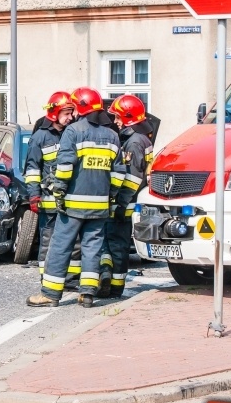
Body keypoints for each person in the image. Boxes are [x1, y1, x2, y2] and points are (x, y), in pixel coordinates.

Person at [26, 87, 121, 308]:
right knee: (92, 247)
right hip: (100, 205)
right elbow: (118, 174)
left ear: (81, 107)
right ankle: (87, 293)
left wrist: (58, 191)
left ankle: (50, 294)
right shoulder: (112, 135)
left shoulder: (73, 131)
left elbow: (66, 167)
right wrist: (111, 196)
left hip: (73, 205)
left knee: (60, 246)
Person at [100, 94, 154, 298]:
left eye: (118, 117)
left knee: (116, 243)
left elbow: (132, 178)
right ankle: (114, 283)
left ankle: (114, 287)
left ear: (129, 117)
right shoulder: (142, 138)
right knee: (116, 243)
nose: (115, 121)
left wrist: (120, 202)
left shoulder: (133, 143)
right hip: (130, 201)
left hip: (126, 203)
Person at [24, 92, 76, 276]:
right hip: (48, 201)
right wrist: (33, 195)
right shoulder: (40, 137)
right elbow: (31, 169)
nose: (70, 117)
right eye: (66, 113)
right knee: (48, 241)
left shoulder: (72, 134)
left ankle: (68, 280)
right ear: (54, 113)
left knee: (70, 242)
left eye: (72, 113)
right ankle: (46, 277)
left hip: (70, 201)